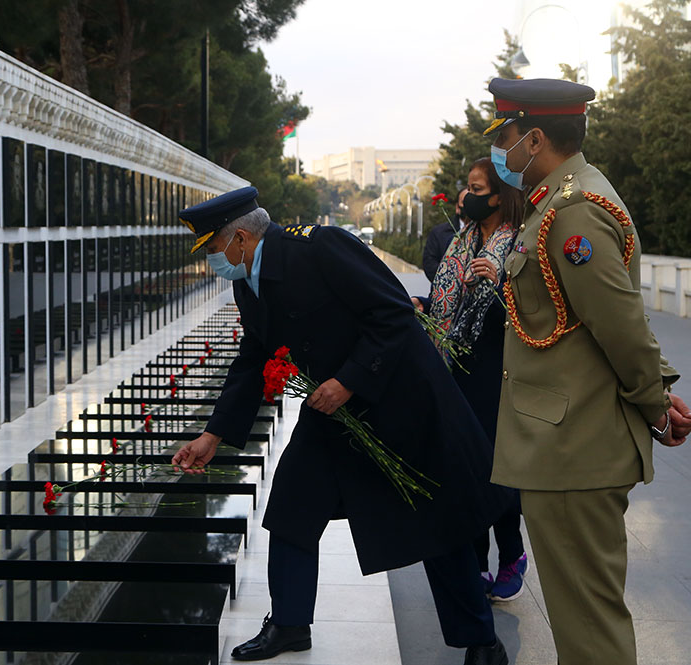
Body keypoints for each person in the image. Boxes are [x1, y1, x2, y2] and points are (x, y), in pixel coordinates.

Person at [172, 186, 512, 665]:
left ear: (242, 239)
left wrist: (348, 381)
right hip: (331, 413)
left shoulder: (320, 248)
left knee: (437, 527)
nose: (212, 261)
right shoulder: (248, 279)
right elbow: (254, 355)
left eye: (213, 249)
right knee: (290, 508)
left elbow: (393, 314)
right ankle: (290, 623)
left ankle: (482, 642)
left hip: (396, 404)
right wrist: (213, 434)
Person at [484, 77, 691, 665]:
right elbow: (610, 313)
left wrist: (655, 404)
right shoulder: (561, 199)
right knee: (582, 621)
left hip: (573, 448)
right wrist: (660, 388)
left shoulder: (572, 211)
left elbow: (619, 324)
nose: (500, 149)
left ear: (535, 139)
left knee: (589, 628)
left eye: (506, 135)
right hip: (564, 443)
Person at [414, 159, 528, 602]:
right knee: (466, 468)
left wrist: (499, 284)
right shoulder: (462, 241)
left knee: (496, 468)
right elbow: (451, 302)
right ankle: (477, 561)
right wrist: (424, 305)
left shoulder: (520, 241)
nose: (468, 196)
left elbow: (533, 310)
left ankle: (512, 553)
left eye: (477, 189)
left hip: (499, 370)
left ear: (500, 196)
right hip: (457, 368)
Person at [422, 188, 467, 281]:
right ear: (457, 207)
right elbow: (429, 263)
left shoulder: (486, 231)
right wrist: (448, 279)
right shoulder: (440, 233)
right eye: (464, 202)